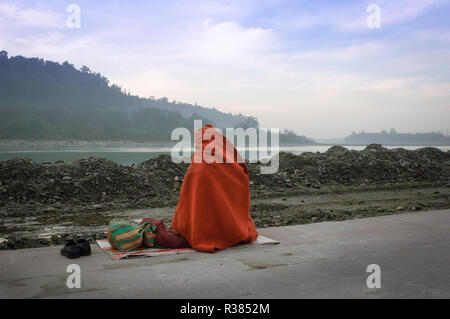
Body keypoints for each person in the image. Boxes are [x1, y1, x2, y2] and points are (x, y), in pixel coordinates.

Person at [171, 124, 258, 253]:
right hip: (230, 227)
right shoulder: (230, 165)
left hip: (197, 228)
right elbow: (240, 180)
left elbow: (187, 201)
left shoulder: (196, 167)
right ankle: (228, 231)